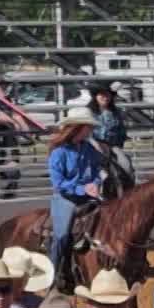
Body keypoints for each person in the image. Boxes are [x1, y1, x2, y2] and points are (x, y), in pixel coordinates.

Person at [47, 106, 104, 293]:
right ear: (78, 127)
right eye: (88, 127)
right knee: (62, 234)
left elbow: (97, 170)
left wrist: (95, 183)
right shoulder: (59, 152)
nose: (91, 130)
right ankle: (52, 273)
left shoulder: (88, 149)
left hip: (89, 195)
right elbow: (58, 183)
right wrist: (82, 188)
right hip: (65, 198)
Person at [88, 85, 134, 188]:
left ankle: (129, 189)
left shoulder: (117, 112)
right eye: (102, 95)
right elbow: (86, 133)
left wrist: (118, 146)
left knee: (126, 164)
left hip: (112, 146)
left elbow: (121, 131)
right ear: (95, 96)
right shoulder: (88, 112)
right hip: (92, 145)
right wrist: (95, 143)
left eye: (108, 95)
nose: (105, 98)